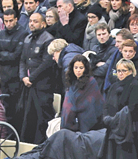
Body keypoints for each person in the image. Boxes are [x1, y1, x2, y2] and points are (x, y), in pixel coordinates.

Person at [18, 11, 55, 144]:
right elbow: (22, 60)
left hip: (42, 86)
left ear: (43, 24)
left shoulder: (48, 39)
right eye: (30, 21)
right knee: (28, 117)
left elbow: (46, 63)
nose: (32, 24)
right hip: (28, 84)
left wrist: (31, 78)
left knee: (41, 117)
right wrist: (23, 77)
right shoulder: (27, 38)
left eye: (35, 21)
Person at [61, 54, 103, 132]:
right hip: (69, 119)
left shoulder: (91, 82)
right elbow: (67, 102)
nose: (78, 70)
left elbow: (93, 103)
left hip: (85, 120)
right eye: (76, 67)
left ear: (85, 68)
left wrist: (74, 108)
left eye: (81, 68)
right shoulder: (71, 81)